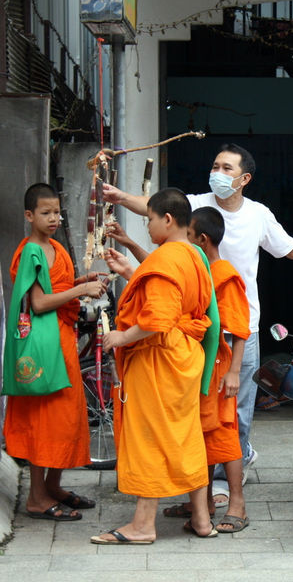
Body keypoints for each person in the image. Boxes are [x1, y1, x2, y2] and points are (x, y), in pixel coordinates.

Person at [101, 143, 293, 505]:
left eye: (226, 168)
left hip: (241, 327)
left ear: (244, 179)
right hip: (199, 328)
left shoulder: (258, 216)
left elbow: (291, 249)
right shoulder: (197, 206)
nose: (218, 173)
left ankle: (228, 480)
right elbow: (161, 211)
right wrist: (118, 197)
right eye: (215, 165)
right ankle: (206, 481)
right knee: (203, 408)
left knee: (236, 409)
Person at [104, 210, 251, 532]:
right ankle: (202, 509)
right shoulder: (195, 262)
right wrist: (130, 262)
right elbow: (165, 289)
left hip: (206, 364)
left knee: (218, 435)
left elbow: (237, 328)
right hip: (193, 360)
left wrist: (234, 372)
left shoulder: (220, 271)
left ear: (199, 239)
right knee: (192, 436)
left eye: (151, 220)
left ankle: (234, 503)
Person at [91, 188, 216, 544]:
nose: (146, 227)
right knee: (184, 434)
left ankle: (144, 525)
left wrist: (121, 337)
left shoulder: (165, 260)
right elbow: (172, 304)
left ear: (167, 219)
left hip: (160, 356)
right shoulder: (192, 256)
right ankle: (202, 519)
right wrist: (133, 272)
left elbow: (157, 320)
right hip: (185, 355)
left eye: (148, 219)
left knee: (152, 436)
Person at [4, 183, 106, 522]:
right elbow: (39, 302)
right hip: (45, 347)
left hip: (62, 342)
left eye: (56, 213)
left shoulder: (54, 246)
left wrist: (83, 279)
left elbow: (56, 286)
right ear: (29, 215)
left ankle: (53, 487)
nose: (53, 219)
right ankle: (36, 498)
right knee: (45, 421)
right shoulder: (31, 251)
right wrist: (81, 288)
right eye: (45, 213)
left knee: (67, 418)